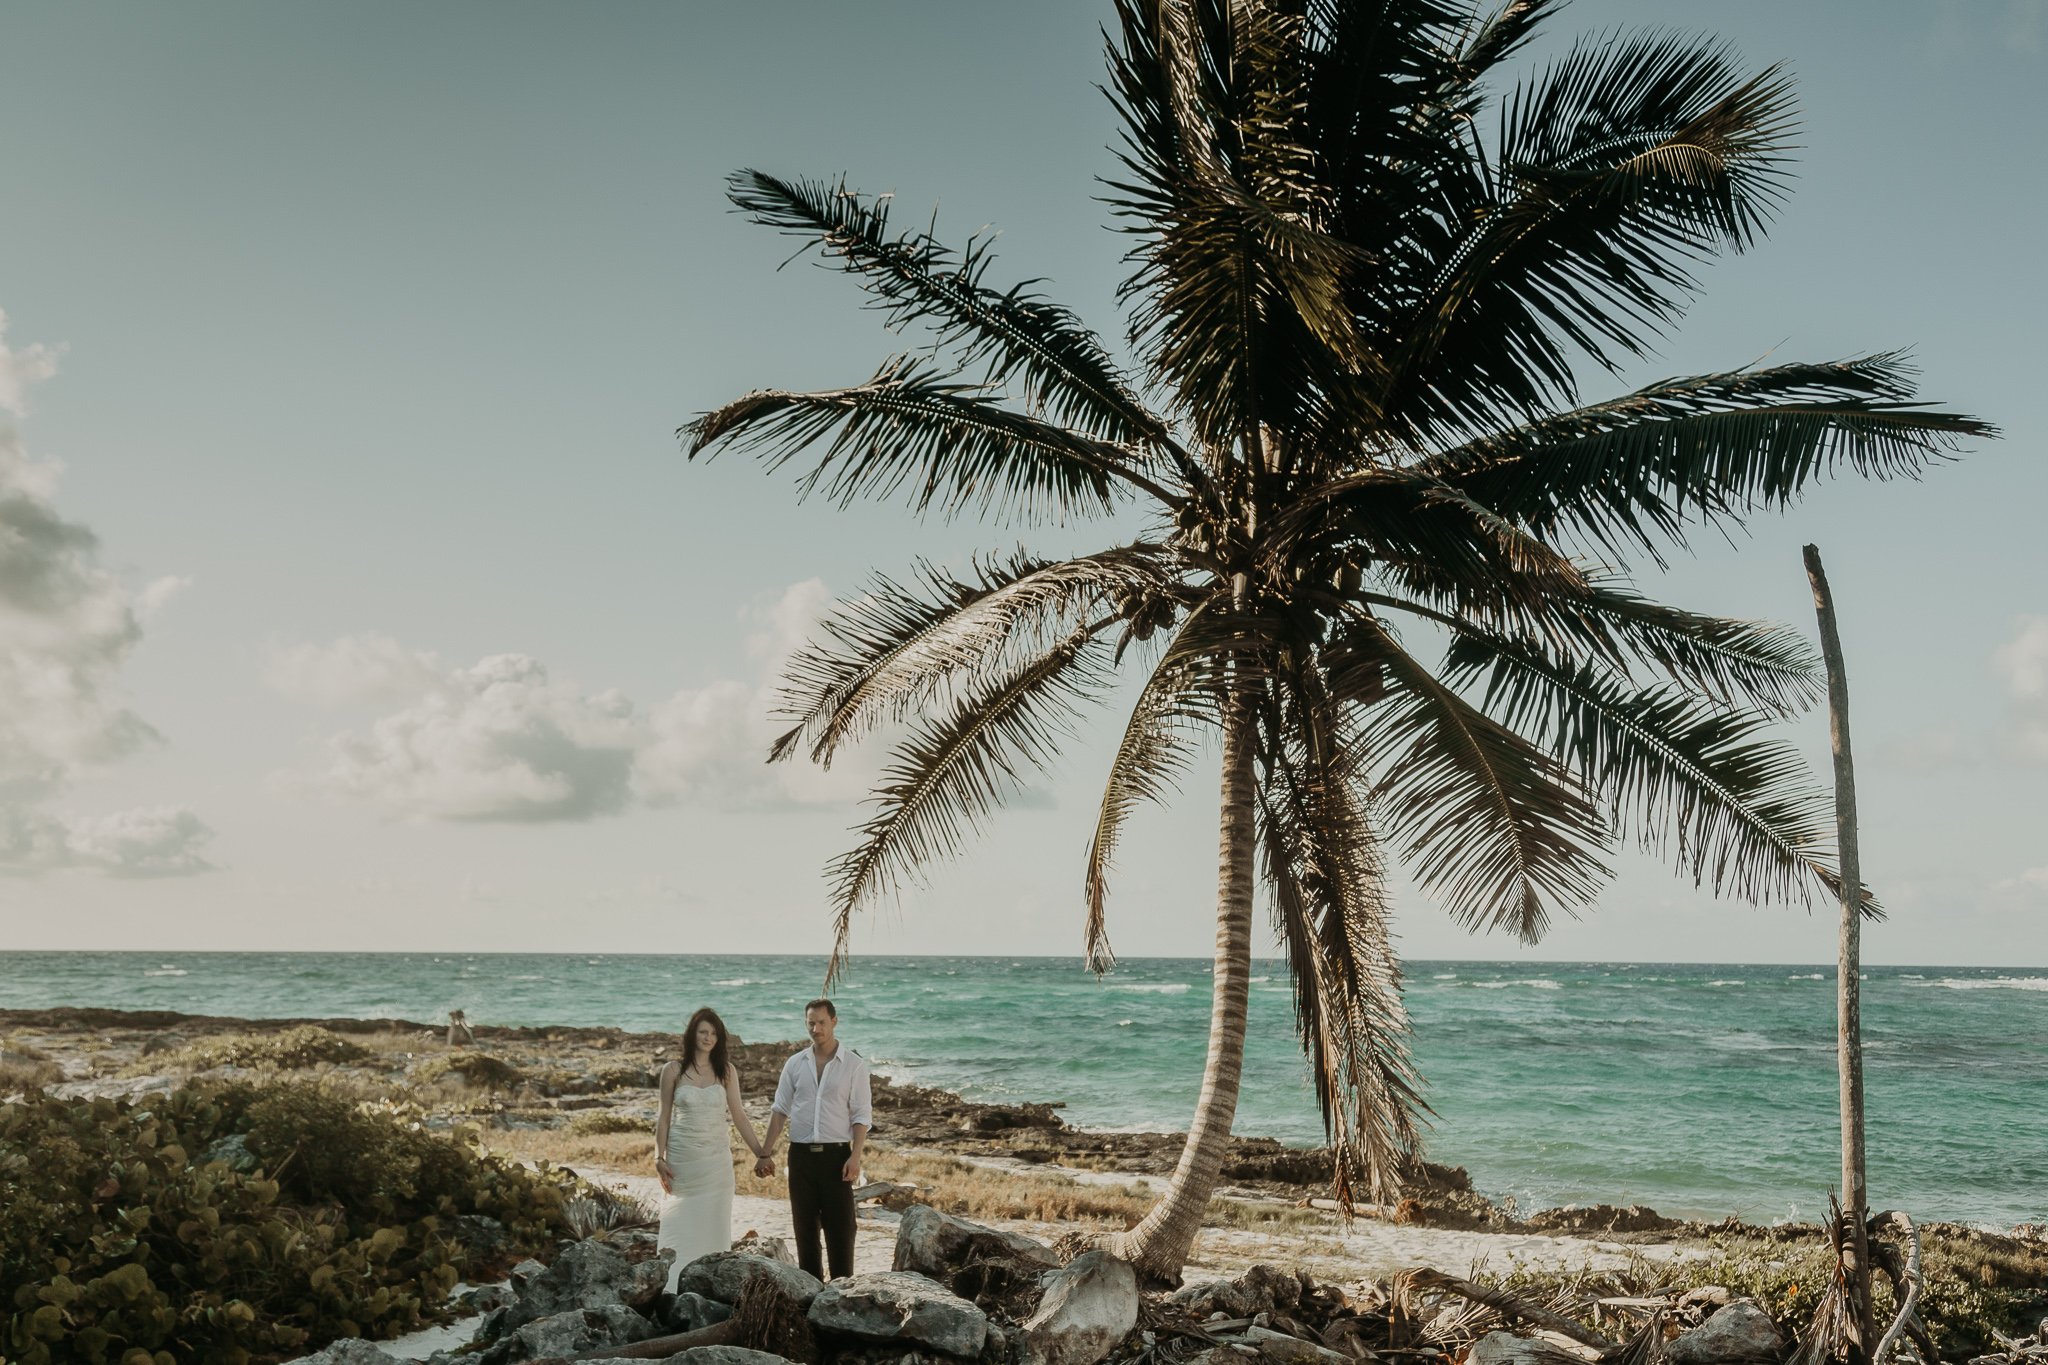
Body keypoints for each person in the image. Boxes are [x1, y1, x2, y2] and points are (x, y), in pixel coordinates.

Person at [654, 1007, 769, 1291]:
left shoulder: (727, 1071)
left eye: (714, 1033)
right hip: (682, 1160)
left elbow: (739, 1115)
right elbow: (663, 1116)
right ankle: (671, 1289)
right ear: (692, 1033)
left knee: (714, 1226)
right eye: (703, 1031)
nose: (708, 1038)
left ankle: (709, 1290)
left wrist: (761, 1153)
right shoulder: (672, 1070)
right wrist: (658, 1156)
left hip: (716, 1163)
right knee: (679, 1222)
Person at [756, 997, 870, 1282]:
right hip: (801, 1158)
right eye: (811, 1023)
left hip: (837, 1158)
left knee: (841, 1230)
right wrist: (764, 1153)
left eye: (821, 1022)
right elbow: (780, 1110)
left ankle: (841, 1293)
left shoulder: (854, 1066)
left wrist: (855, 1157)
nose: (816, 1029)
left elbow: (861, 1115)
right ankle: (810, 1293)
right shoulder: (795, 1064)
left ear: (834, 1021)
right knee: (804, 1231)